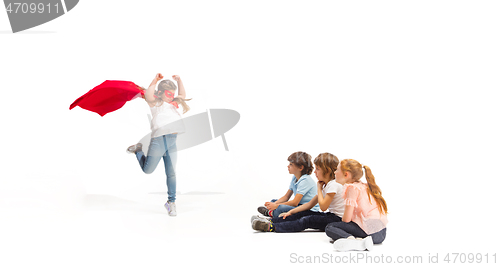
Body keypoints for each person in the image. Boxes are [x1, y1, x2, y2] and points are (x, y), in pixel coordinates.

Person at [126, 73, 191, 216]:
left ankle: (171, 202)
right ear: (160, 93)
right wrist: (155, 80)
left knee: (171, 173)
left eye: (172, 94)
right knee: (148, 170)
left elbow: (182, 94)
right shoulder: (156, 103)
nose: (171, 96)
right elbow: (149, 95)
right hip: (159, 141)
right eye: (168, 93)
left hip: (172, 142)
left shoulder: (173, 103)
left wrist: (179, 81)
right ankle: (138, 150)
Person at [251, 153, 344, 232]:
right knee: (302, 213)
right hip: (331, 216)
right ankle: (272, 221)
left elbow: (323, 207)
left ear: (327, 171)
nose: (315, 172)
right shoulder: (326, 185)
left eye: (318, 169)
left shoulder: (333, 185)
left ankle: (272, 227)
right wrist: (291, 212)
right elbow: (309, 205)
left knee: (307, 220)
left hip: (337, 220)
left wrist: (319, 189)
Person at [325, 159, 388, 251]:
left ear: (346, 174)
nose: (334, 172)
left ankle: (355, 242)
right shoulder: (365, 185)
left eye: (337, 169)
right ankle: (359, 241)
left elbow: (346, 220)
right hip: (381, 234)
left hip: (369, 233)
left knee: (330, 227)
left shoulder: (351, 188)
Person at [257, 152, 320, 219]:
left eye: (291, 164)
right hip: (299, 206)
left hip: (308, 210)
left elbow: (295, 202)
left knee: (280, 207)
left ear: (301, 167)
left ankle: (270, 213)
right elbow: (286, 197)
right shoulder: (295, 178)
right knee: (273, 200)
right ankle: (273, 211)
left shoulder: (305, 180)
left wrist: (276, 205)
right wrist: (274, 204)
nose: (288, 166)